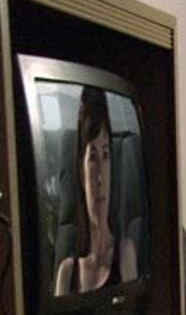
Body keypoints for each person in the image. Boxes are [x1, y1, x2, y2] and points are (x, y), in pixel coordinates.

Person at [54, 87, 137, 295]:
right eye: (92, 157)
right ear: (81, 172)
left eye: (106, 155)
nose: (100, 178)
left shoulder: (125, 255)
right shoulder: (67, 272)